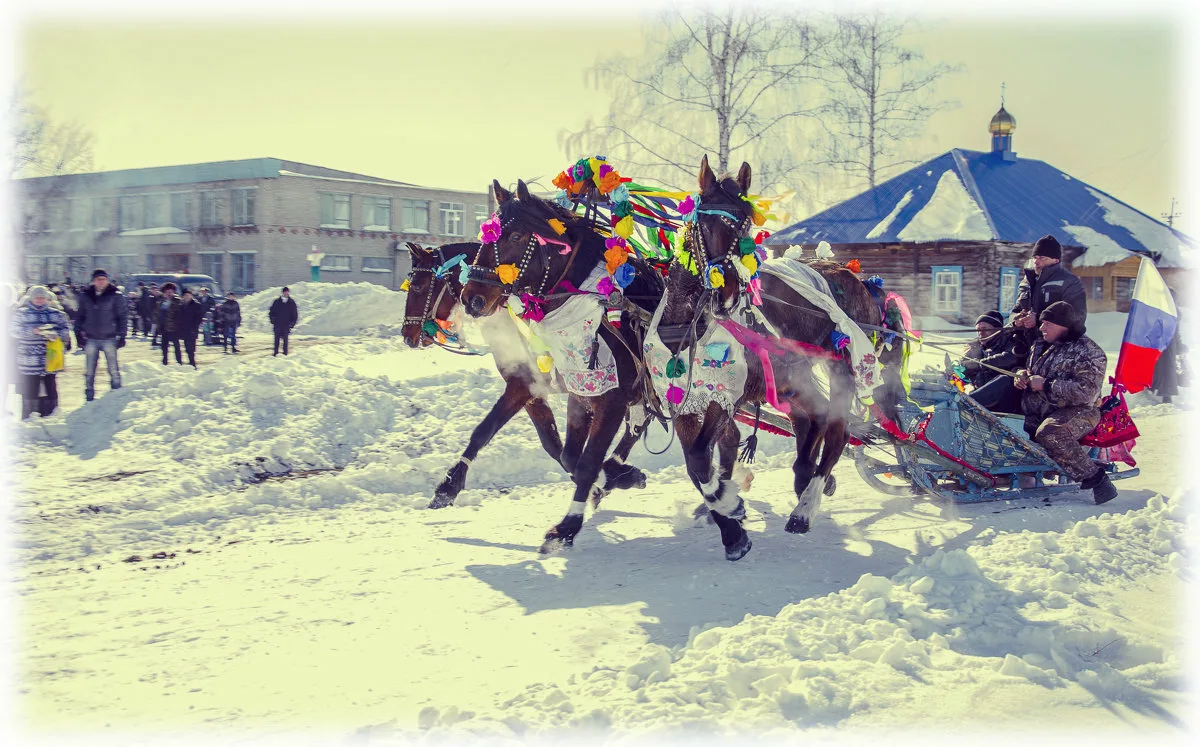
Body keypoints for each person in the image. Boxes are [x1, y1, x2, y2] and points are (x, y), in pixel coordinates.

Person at [1014, 301, 1117, 504]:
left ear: (1064, 325)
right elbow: (1029, 371)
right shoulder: (1040, 344)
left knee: (1050, 432)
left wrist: (1047, 385)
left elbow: (1087, 392)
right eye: (1042, 323)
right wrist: (1021, 375)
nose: (1041, 327)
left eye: (1047, 323)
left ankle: (1096, 479)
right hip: (1039, 408)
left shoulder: (1089, 352)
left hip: (1079, 411)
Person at [1010, 235, 1088, 346]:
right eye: (1035, 257)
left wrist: (1037, 319)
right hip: (1023, 344)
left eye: (1042, 258)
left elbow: (1077, 318)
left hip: (1054, 346)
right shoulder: (1027, 281)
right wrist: (1017, 320)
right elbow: (1015, 311)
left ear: (1055, 260)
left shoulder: (1070, 282)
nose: (1036, 262)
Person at [10, 285, 71, 419]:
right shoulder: (22, 313)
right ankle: (29, 416)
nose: (39, 300)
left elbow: (65, 331)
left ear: (46, 298)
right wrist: (32, 331)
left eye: (42, 297)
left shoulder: (56, 314)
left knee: (50, 385)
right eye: (36, 297)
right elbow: (13, 331)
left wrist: (54, 334)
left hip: (50, 356)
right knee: (30, 387)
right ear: (31, 298)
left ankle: (51, 415)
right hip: (29, 358)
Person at [75, 269, 127, 402]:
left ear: (107, 280)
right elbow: (80, 316)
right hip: (91, 338)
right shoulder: (86, 296)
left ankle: (116, 393)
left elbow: (122, 317)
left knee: (113, 369)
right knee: (90, 370)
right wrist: (78, 335)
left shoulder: (115, 295)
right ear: (93, 281)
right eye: (98, 279)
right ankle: (89, 395)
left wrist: (122, 335)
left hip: (109, 337)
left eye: (103, 279)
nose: (101, 282)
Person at [962, 310, 1028, 414]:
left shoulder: (1010, 340)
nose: (981, 333)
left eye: (985, 329)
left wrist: (981, 364)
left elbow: (1010, 358)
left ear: (997, 329)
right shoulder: (975, 345)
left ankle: (964, 404)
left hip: (1006, 401)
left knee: (1005, 380)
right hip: (983, 397)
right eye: (978, 330)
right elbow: (963, 365)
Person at [157, 282, 184, 366]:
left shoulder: (177, 301)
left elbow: (180, 313)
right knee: (164, 347)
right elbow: (158, 314)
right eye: (167, 292)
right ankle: (164, 362)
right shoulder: (161, 302)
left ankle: (179, 362)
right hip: (164, 327)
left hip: (175, 327)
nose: (169, 294)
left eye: (170, 292)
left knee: (176, 346)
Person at [178, 289, 205, 368]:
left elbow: (199, 317)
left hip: (192, 329)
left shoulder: (196, 305)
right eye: (185, 295)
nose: (187, 297)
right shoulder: (181, 305)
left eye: (188, 295)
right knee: (186, 347)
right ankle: (190, 363)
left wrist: (195, 326)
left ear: (191, 296)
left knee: (191, 348)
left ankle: (193, 364)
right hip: (184, 329)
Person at [268, 286, 298, 356]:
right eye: (285, 292)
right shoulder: (277, 302)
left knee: (285, 342)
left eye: (287, 292)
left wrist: (292, 324)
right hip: (277, 324)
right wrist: (273, 320)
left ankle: (285, 354)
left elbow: (294, 314)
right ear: (282, 292)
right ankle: (275, 353)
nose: (286, 293)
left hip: (286, 325)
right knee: (276, 341)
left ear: (288, 293)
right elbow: (271, 312)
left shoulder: (291, 302)